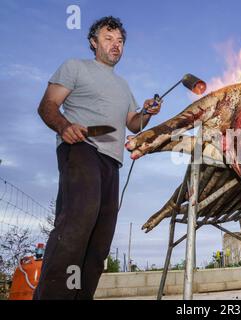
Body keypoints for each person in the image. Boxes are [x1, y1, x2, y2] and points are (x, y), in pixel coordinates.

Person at [34, 16, 160, 300]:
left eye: (120, 42)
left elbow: (133, 123)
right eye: (108, 39)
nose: (115, 46)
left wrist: (148, 112)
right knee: (77, 224)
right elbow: (47, 105)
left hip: (111, 162)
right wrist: (64, 126)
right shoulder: (75, 67)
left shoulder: (124, 86)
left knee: (100, 240)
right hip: (81, 149)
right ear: (93, 42)